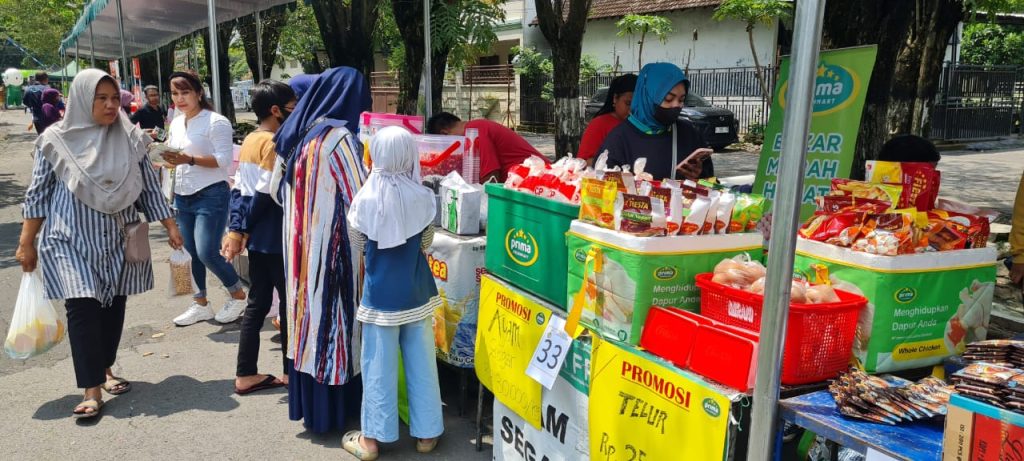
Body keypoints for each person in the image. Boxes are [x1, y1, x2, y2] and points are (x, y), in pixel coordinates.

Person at [15, 69, 184, 419]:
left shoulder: (131, 138)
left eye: (114, 98)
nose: (110, 105)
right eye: (101, 99)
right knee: (83, 306)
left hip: (118, 237)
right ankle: (91, 388)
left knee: (113, 305)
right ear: (81, 100)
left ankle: (106, 367)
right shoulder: (55, 141)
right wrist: (26, 243)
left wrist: (170, 225)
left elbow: (148, 187)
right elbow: (38, 195)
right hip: (68, 239)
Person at [277, 67, 371, 433]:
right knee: (334, 328)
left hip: (301, 253)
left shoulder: (303, 132)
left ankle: (313, 411)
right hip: (333, 253)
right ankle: (335, 414)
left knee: (308, 327)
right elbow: (361, 200)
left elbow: (277, 191)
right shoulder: (340, 139)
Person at [341, 126, 443, 460]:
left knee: (378, 367)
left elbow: (359, 245)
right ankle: (427, 433)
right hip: (416, 295)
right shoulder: (423, 197)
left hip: (380, 299)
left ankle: (371, 440)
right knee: (422, 363)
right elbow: (426, 243)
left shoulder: (364, 200)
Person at [221, 80, 296, 394]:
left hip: (258, 242)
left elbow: (239, 190)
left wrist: (237, 228)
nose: (296, 111)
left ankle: (246, 373)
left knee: (257, 304)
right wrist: (244, 227)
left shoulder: (250, 139)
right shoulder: (275, 142)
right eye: (292, 106)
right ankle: (291, 374)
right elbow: (265, 193)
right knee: (289, 306)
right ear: (276, 110)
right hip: (275, 237)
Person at [161, 71, 248, 326]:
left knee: (207, 251)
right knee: (189, 252)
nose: (180, 98)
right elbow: (175, 155)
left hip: (211, 193)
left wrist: (188, 159)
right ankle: (200, 303)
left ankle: (238, 295)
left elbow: (223, 160)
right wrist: (164, 159)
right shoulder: (177, 122)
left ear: (199, 93)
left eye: (185, 92)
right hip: (182, 194)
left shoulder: (216, 122)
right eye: (175, 93)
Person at [600, 62, 713, 181]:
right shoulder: (619, 138)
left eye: (681, 100)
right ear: (648, 97)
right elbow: (601, 184)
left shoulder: (689, 133)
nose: (676, 105)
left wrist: (699, 176)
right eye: (668, 99)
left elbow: (711, 182)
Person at [426, 112, 546, 182]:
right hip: (527, 183)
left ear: (444, 134)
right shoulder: (474, 130)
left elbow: (491, 177)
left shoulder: (474, 131)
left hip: (542, 180)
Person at [578, 74, 637, 162]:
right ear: (615, 98)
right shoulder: (599, 124)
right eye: (628, 103)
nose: (632, 109)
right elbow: (584, 162)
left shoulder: (642, 124)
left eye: (637, 105)